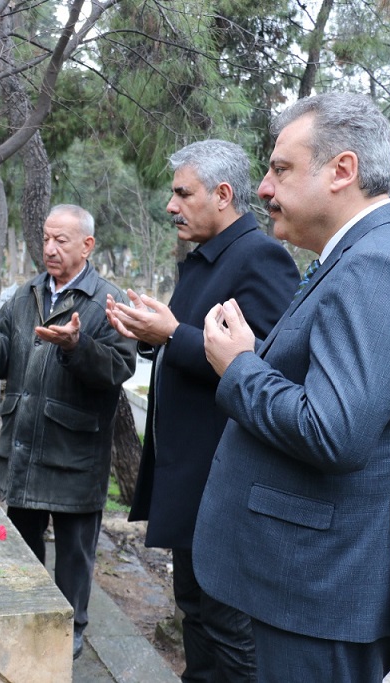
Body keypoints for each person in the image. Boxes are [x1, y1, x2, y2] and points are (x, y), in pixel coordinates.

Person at [194, 92, 390, 681]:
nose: (263, 187)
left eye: (281, 168)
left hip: (323, 587)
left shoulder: (377, 267)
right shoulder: (366, 256)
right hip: (318, 581)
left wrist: (239, 366)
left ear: (343, 171)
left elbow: (332, 431)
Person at [106, 140, 299, 681]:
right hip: (192, 478)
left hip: (227, 483)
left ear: (222, 194)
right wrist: (152, 333)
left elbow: (266, 363)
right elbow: (193, 338)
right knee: (196, 613)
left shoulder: (259, 257)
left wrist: (173, 334)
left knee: (230, 630)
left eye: (182, 193)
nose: (171, 206)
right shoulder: (207, 255)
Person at [0, 204, 136, 660]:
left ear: (87, 246)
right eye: (46, 239)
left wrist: (78, 346)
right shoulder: (26, 294)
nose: (49, 249)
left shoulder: (108, 301)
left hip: (74, 454)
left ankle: (67, 639)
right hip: (25, 449)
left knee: (74, 557)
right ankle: (24, 622)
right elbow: (1, 358)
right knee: (23, 548)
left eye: (61, 241)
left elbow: (119, 366)